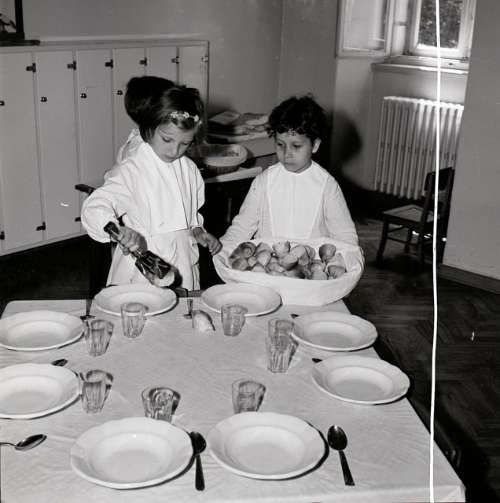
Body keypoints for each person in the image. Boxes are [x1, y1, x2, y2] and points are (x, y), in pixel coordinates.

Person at [81, 78, 222, 290]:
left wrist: (198, 231)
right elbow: (95, 206)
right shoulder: (132, 169)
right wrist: (118, 231)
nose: (174, 151)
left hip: (183, 262)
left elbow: (190, 217)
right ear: (149, 129)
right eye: (167, 140)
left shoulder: (190, 170)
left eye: (185, 143)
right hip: (143, 265)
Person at [220, 95, 358, 247]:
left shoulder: (327, 186)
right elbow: (242, 226)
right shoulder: (263, 181)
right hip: (268, 259)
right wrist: (223, 249)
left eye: (296, 146)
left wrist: (347, 256)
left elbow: (345, 235)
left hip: (311, 260)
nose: (287, 154)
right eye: (280, 145)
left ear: (315, 145)